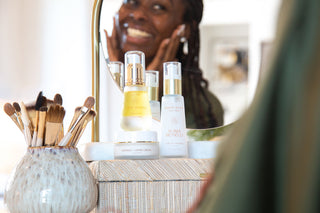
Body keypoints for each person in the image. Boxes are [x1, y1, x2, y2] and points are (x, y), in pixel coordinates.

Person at [105, 0, 224, 129]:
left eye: (158, 7)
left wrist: (151, 92)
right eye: (131, 1)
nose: (138, 14)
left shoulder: (202, 107)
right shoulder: (91, 78)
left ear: (184, 29)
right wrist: (114, 80)